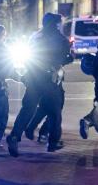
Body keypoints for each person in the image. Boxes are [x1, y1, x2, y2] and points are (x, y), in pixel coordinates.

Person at [5, 13, 72, 156]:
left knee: (27, 109)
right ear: (56, 24)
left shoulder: (35, 37)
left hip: (33, 77)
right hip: (50, 79)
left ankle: (15, 136)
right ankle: (53, 142)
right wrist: (69, 58)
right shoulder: (60, 39)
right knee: (55, 113)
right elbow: (65, 57)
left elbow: (28, 56)